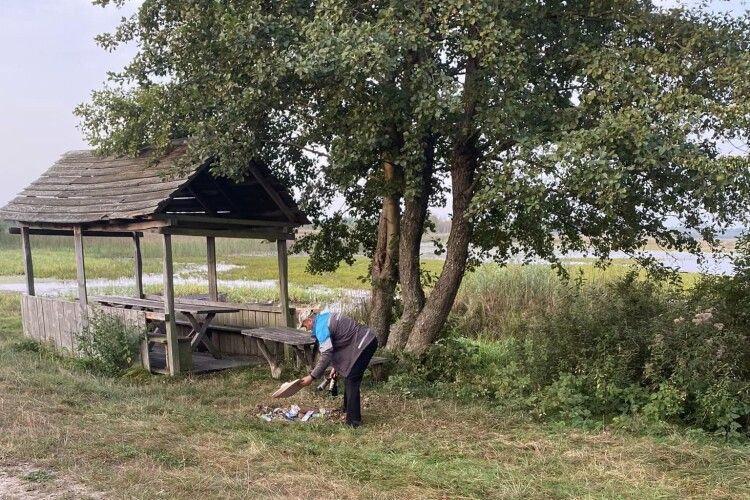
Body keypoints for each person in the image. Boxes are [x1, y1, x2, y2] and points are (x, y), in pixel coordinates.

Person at [298, 308, 378, 427]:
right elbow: (341, 341)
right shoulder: (325, 317)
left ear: (309, 320)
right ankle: (347, 410)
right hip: (363, 342)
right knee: (349, 376)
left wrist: (312, 376)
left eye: (304, 326)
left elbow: (326, 354)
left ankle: (354, 422)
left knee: (352, 379)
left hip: (364, 344)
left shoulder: (321, 327)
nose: (307, 329)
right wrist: (337, 367)